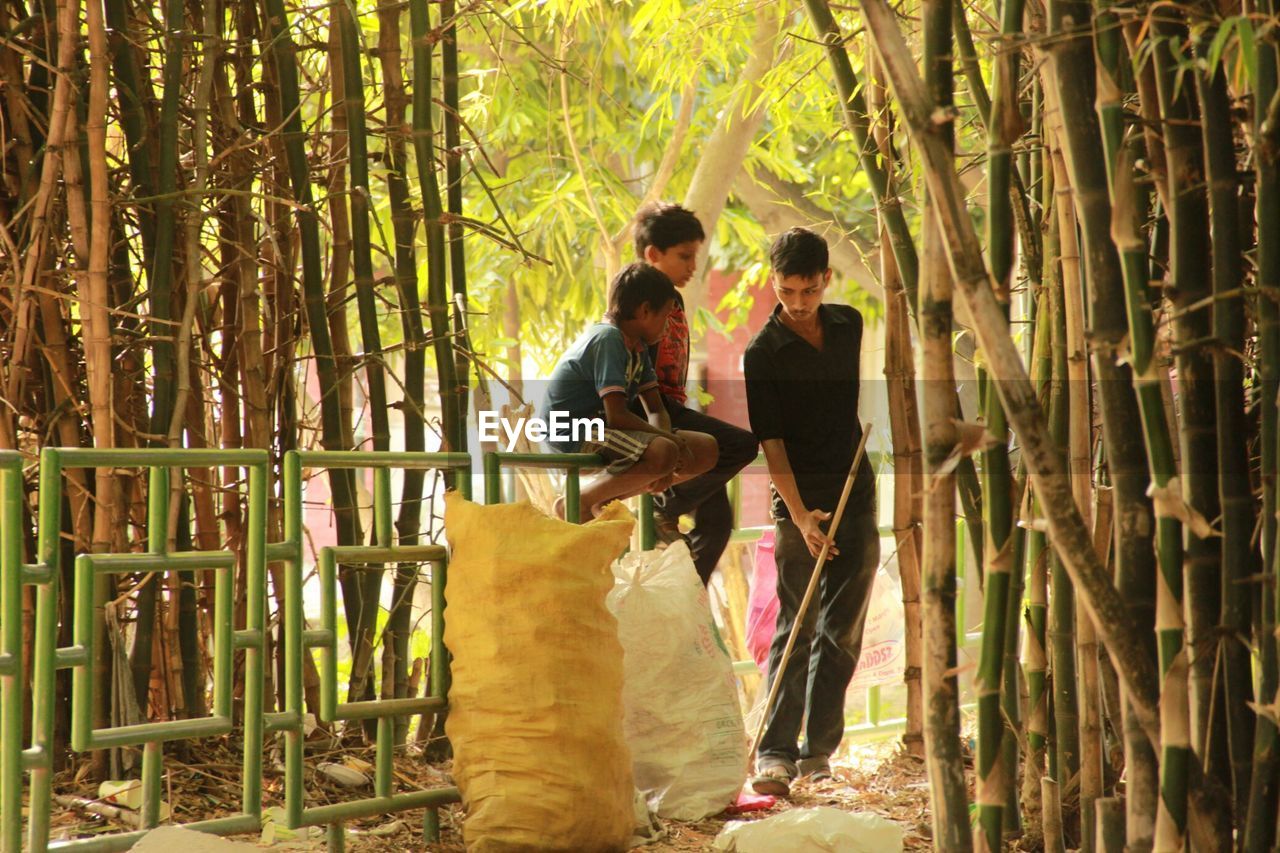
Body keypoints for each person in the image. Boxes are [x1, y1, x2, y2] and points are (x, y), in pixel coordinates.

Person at [743, 227, 879, 796]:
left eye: (807, 290)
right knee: (795, 625)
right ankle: (774, 754)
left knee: (842, 629)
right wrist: (800, 516)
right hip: (800, 499)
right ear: (773, 281)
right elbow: (771, 444)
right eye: (786, 290)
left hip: (855, 488)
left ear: (825, 279)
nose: (797, 304)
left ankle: (817, 753)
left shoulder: (848, 325)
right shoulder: (762, 353)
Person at [630, 201, 759, 583]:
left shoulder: (675, 298)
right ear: (653, 254)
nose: (692, 266)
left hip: (673, 409)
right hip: (650, 412)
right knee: (741, 445)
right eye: (684, 256)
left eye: (694, 256)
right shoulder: (637, 296)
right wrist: (658, 427)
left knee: (718, 522)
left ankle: (688, 598)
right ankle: (663, 507)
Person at [540, 261, 718, 522]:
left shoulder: (638, 347)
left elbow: (656, 408)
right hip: (572, 432)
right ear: (645, 311)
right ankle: (577, 504)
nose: (669, 327)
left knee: (706, 449)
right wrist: (668, 446)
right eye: (666, 316)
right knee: (664, 450)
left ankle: (597, 498)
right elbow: (617, 416)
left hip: (603, 431)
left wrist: (668, 448)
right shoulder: (608, 339)